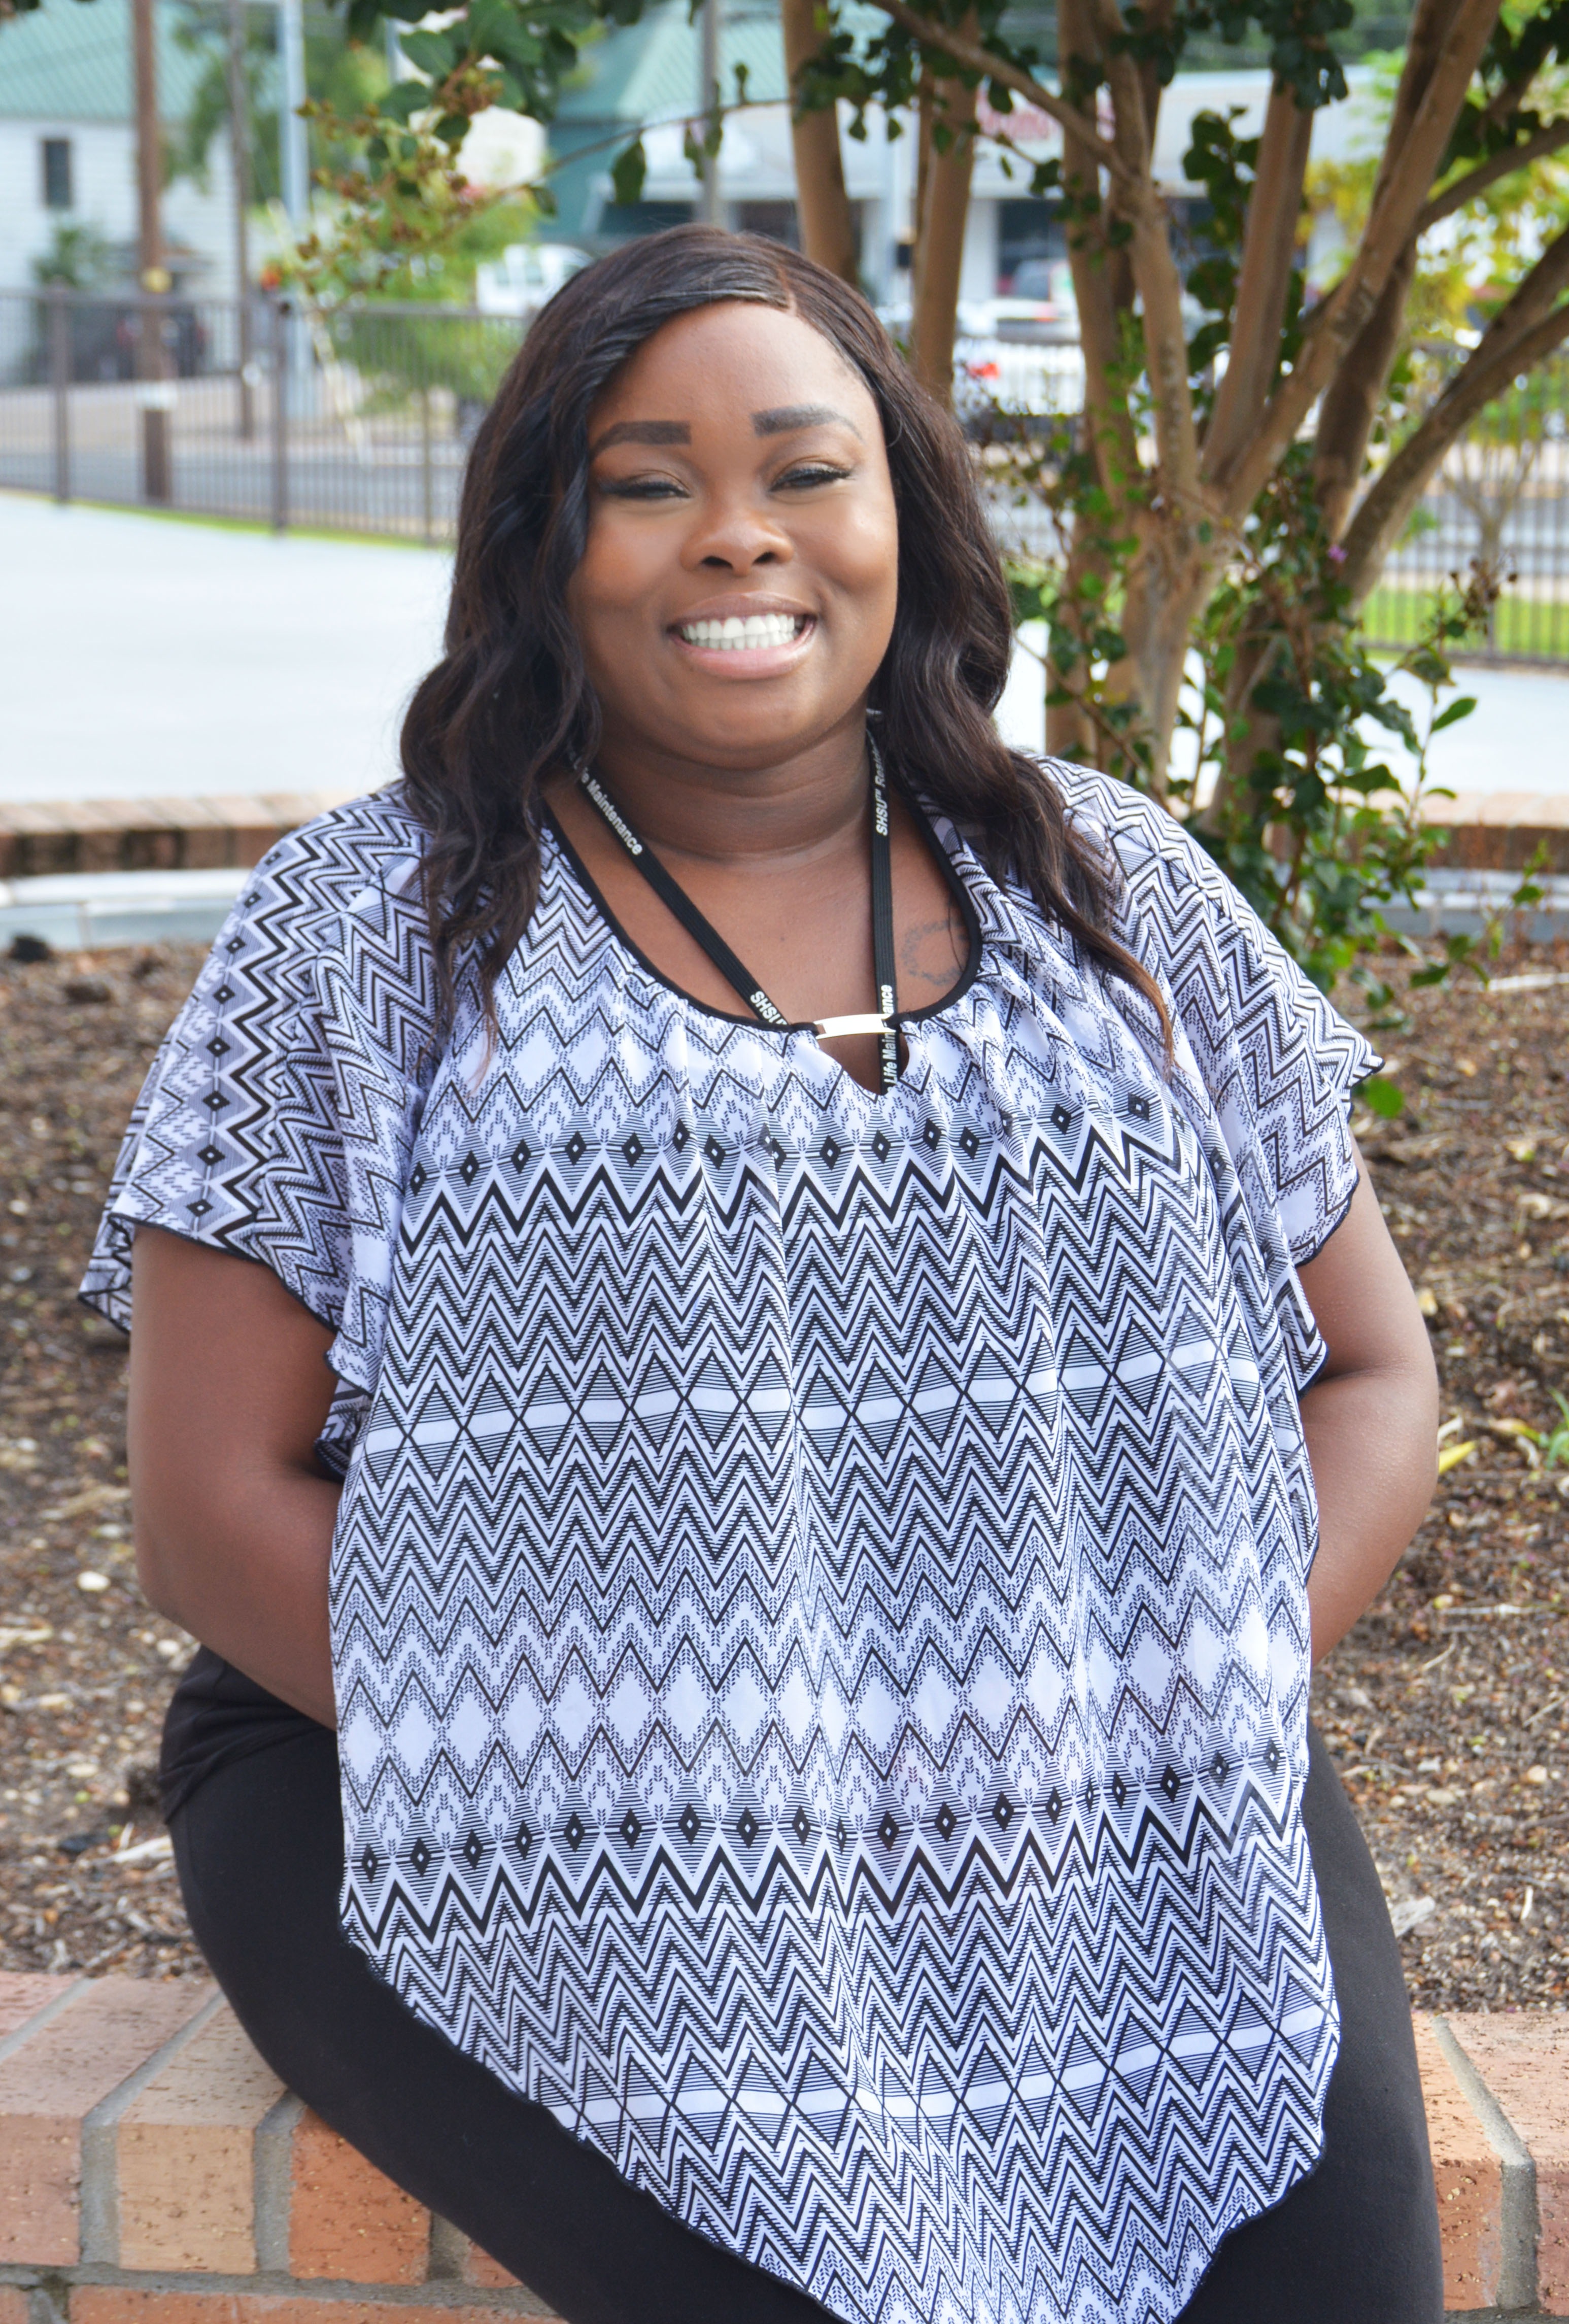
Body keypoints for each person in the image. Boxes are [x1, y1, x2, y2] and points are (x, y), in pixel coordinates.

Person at [85, 227, 1444, 2324]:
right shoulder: (371, 934)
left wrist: (1162, 1689)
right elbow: (207, 1508)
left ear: (900, 508)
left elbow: (1364, 1369)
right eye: (646, 480)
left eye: (805, 470)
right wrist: (683, 1776)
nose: (739, 537)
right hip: (471, 1798)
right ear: (543, 536)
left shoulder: (1114, 893)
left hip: (1118, 1789)